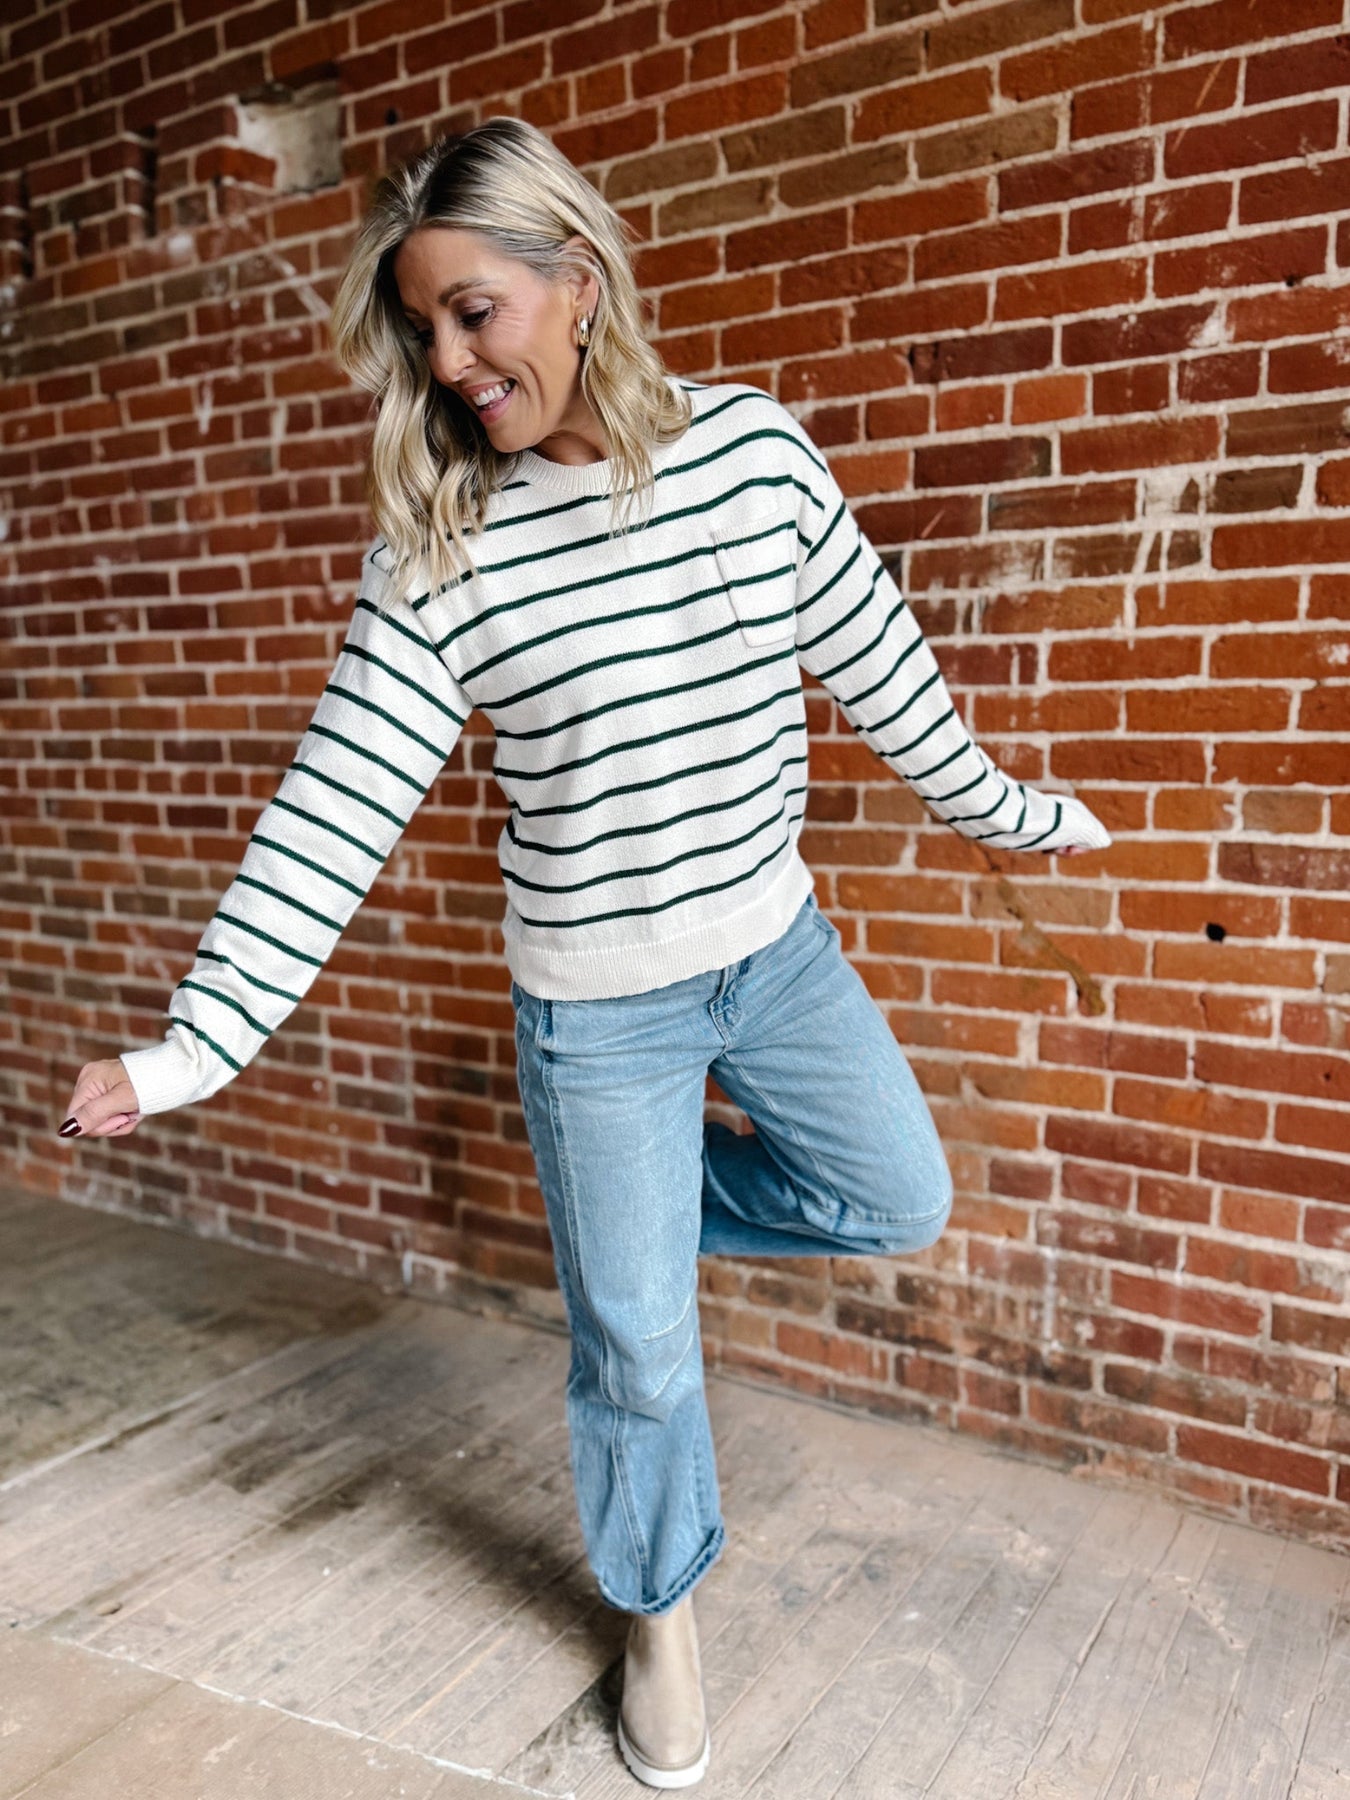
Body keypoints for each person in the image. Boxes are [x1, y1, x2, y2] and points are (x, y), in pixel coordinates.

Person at [58, 117, 1111, 1790]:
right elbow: (327, 817)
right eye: (420, 328)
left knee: (895, 1196)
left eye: (472, 311)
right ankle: (659, 1614)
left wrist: (1016, 815)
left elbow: (885, 671)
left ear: (581, 281)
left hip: (775, 958)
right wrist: (192, 1048)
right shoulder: (442, 556)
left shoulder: (755, 459)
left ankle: (624, 1220)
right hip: (598, 1011)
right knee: (636, 1351)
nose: (446, 361)